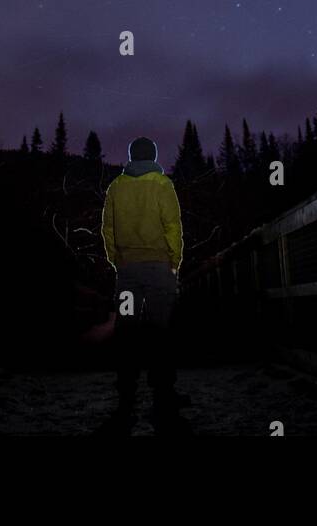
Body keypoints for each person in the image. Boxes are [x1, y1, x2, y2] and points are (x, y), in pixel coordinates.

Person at [101, 136, 187, 426]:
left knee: (126, 330)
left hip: (128, 271)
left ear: (130, 156)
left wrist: (117, 259)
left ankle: (126, 392)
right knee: (160, 329)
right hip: (160, 269)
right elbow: (172, 225)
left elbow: (107, 228)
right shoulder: (163, 185)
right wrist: (174, 262)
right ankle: (163, 392)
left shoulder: (116, 187)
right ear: (153, 155)